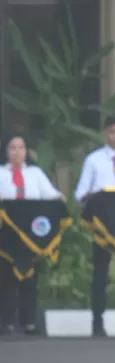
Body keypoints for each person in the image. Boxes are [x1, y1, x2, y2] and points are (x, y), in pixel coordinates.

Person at [0, 135, 64, 335]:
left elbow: (50, 194)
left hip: (32, 236)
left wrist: (59, 197)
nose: (17, 152)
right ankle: (7, 321)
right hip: (7, 235)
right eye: (13, 148)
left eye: (21, 148)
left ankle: (29, 321)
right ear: (6, 151)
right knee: (7, 277)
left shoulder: (35, 173)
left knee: (30, 277)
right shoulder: (1, 173)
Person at [74, 116, 115, 336]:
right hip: (103, 225)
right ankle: (98, 320)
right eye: (112, 132)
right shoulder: (94, 160)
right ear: (105, 134)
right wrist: (94, 196)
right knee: (100, 273)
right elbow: (80, 193)